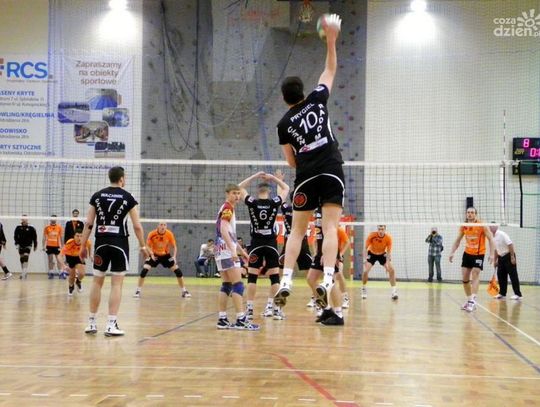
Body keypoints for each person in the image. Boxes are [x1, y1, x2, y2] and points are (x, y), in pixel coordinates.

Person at [275, 14, 344, 309]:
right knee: (330, 228)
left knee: (297, 231)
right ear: (303, 92)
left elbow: (290, 162)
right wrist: (331, 40)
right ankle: (327, 279)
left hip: (306, 175)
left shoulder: (283, 124)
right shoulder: (317, 99)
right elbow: (330, 69)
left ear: (285, 99)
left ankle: (286, 280)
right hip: (331, 168)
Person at [79, 166, 148, 337]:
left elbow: (88, 224)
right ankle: (111, 324)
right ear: (122, 179)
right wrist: (143, 246)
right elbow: (137, 226)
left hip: (101, 243)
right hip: (119, 243)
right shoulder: (128, 197)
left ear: (110, 178)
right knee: (116, 284)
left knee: (97, 282)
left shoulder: (97, 196)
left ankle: (91, 322)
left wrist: (82, 246)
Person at [239, 172, 289, 321]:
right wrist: (274, 178)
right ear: (269, 191)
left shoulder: (252, 202)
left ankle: (249, 310)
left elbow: (239, 187)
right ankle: (276, 310)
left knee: (252, 277)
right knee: (274, 278)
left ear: (258, 191)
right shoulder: (274, 202)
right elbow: (286, 188)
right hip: (271, 244)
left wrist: (255, 176)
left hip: (256, 243)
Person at [215, 183, 259, 330]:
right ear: (227, 194)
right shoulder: (228, 208)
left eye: (238, 193)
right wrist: (233, 252)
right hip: (227, 251)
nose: (237, 196)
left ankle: (222, 319)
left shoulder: (225, 207)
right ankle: (241, 319)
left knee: (226, 284)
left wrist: (241, 251)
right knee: (238, 284)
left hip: (220, 250)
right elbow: (223, 229)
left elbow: (230, 234)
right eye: (234, 193)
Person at [306, 209, 350, 325]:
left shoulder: (329, 208)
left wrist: (332, 254)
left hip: (330, 250)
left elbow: (332, 233)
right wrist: (317, 252)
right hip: (320, 251)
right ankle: (327, 309)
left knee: (332, 281)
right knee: (310, 279)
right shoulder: (317, 209)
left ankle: (339, 315)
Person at [449, 207, 495, 312]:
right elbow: (457, 240)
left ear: (475, 214)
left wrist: (492, 254)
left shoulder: (481, 225)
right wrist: (452, 252)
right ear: (466, 214)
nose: (470, 214)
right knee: (465, 279)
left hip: (479, 254)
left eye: (472, 212)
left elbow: (491, 239)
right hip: (467, 254)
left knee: (475, 273)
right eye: (468, 212)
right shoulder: (464, 226)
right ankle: (469, 300)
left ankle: (473, 301)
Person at [133, 222, 191, 299]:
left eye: (164, 225)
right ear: (158, 226)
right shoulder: (152, 234)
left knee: (178, 272)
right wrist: (151, 254)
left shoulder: (169, 234)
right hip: (154, 255)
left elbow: (174, 246)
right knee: (144, 270)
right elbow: (147, 246)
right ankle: (138, 291)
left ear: (166, 226)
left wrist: (174, 256)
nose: (163, 226)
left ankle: (184, 291)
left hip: (165, 256)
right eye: (161, 225)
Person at [362, 225, 398, 300]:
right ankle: (364, 288)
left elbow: (388, 253)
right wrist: (365, 260)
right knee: (365, 271)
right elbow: (365, 249)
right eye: (379, 229)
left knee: (392, 270)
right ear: (377, 229)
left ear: (385, 230)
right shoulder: (372, 235)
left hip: (382, 254)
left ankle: (394, 292)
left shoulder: (388, 238)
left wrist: (387, 264)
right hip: (372, 254)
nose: (380, 231)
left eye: (382, 229)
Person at [489, 224, 522, 300]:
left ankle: (518, 294)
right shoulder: (492, 237)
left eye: (493, 226)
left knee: (513, 275)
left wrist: (512, 257)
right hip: (500, 257)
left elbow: (510, 244)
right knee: (500, 275)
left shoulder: (502, 234)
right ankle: (502, 293)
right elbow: (496, 249)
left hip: (508, 256)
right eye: (490, 226)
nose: (491, 227)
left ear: (496, 227)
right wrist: (495, 260)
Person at [61, 229, 91, 296]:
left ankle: (78, 281)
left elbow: (89, 246)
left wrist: (90, 255)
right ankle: (71, 286)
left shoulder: (86, 241)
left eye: (81, 236)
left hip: (79, 257)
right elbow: (61, 255)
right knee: (72, 276)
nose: (79, 238)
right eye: (77, 236)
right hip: (70, 257)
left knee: (82, 273)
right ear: (74, 236)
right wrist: (63, 265)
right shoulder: (70, 243)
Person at [14, 215, 37, 279]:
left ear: (27, 219)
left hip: (28, 245)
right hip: (20, 245)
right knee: (22, 258)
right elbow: (15, 236)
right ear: (21, 219)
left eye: (25, 218)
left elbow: (34, 237)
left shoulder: (31, 227)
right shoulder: (18, 227)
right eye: (23, 218)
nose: (24, 219)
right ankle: (24, 272)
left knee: (26, 257)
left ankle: (23, 273)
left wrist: (35, 245)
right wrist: (16, 243)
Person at [43, 215, 64, 279]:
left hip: (57, 246)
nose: (53, 220)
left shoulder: (59, 227)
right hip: (49, 246)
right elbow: (44, 237)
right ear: (50, 219)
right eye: (52, 218)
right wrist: (43, 246)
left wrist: (62, 246)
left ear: (56, 219)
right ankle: (51, 273)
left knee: (59, 260)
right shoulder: (47, 227)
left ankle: (60, 273)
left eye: (54, 218)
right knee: (50, 260)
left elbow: (61, 237)